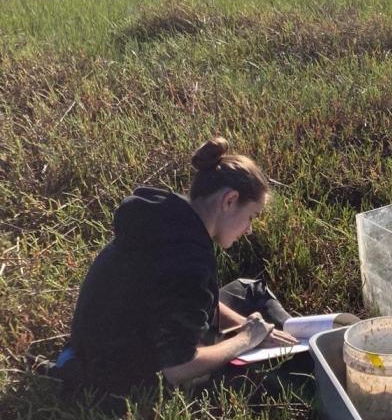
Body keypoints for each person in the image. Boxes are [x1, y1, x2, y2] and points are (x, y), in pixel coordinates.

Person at [54, 137, 358, 403]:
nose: (249, 230)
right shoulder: (188, 264)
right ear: (230, 200)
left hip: (102, 344)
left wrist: (246, 326)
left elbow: (184, 298)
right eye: (252, 216)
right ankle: (304, 356)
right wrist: (244, 341)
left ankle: (285, 335)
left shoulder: (169, 219)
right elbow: (177, 369)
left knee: (248, 289)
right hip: (129, 379)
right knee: (291, 371)